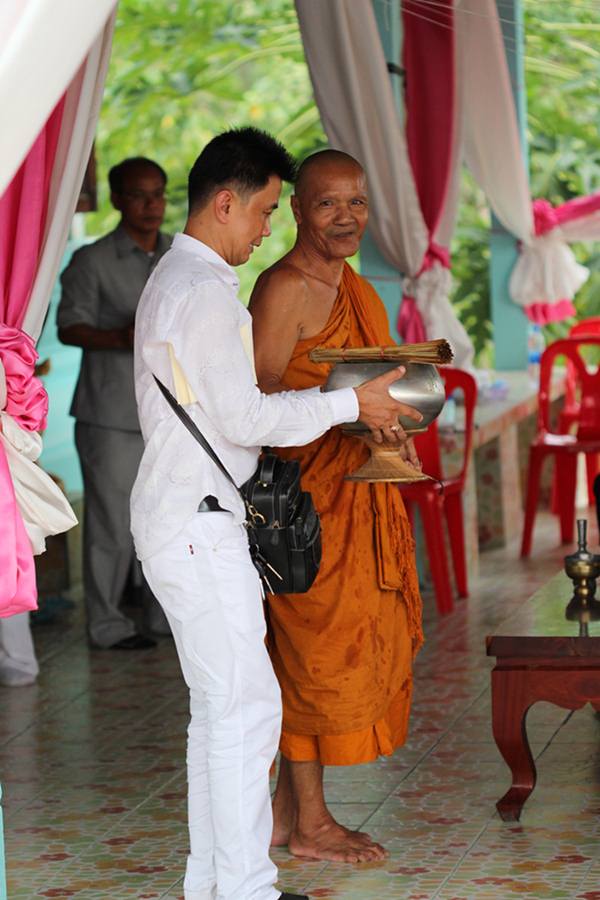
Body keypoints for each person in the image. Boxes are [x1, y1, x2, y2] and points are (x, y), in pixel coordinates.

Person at [130, 128, 421, 900]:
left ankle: (219, 885)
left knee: (223, 716)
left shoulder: (180, 277)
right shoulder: (202, 291)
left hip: (191, 514)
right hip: (197, 520)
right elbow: (245, 416)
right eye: (264, 211)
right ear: (225, 203)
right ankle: (246, 888)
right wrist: (348, 405)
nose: (266, 230)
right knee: (245, 714)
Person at [248, 149, 424, 864]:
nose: (346, 217)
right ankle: (312, 824)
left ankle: (288, 815)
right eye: (328, 203)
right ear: (296, 209)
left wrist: (389, 428)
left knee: (333, 656)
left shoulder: (359, 288)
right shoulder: (283, 288)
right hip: (303, 509)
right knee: (308, 663)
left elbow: (380, 388)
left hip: (359, 493)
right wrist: (342, 412)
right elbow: (253, 406)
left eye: (357, 202)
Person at [57, 157, 172, 650]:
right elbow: (68, 326)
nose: (151, 205)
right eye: (139, 195)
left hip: (169, 412)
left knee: (168, 516)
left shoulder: (177, 255)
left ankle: (164, 618)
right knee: (111, 525)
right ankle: (107, 625)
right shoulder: (92, 260)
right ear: (118, 199)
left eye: (158, 194)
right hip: (110, 415)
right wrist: (121, 336)